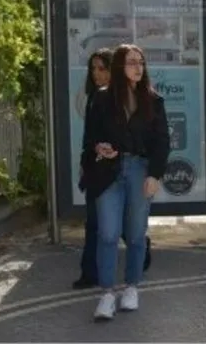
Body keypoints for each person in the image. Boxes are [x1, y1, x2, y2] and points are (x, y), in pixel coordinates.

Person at [82, 44, 170, 321]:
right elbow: (90, 138)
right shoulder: (102, 98)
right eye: (132, 62)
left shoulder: (153, 100)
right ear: (120, 66)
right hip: (108, 171)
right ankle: (107, 294)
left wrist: (155, 175)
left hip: (140, 170)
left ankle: (132, 287)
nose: (138, 67)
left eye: (141, 62)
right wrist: (100, 147)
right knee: (107, 234)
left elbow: (162, 143)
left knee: (134, 234)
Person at [73, 49, 153, 290]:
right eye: (93, 69)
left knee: (125, 226)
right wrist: (91, 156)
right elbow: (90, 137)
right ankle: (91, 273)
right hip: (100, 170)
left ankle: (140, 251)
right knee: (97, 225)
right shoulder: (96, 98)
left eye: (102, 68)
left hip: (128, 169)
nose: (97, 74)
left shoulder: (138, 99)